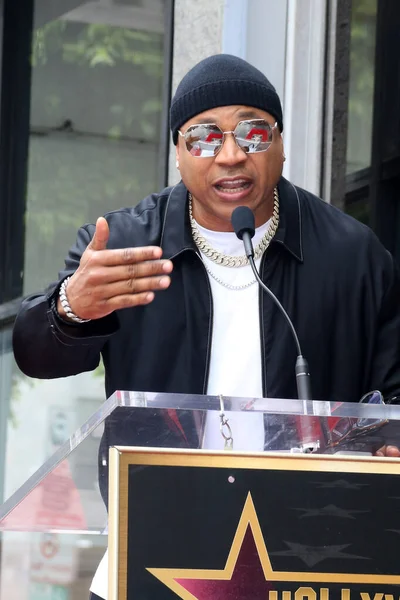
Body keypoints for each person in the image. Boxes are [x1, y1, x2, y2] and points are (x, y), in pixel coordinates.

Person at [12, 54, 400, 599]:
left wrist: (386, 444)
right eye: (204, 137)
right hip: (154, 543)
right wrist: (70, 308)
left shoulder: (351, 256)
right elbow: (37, 355)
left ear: (281, 143)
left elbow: (392, 396)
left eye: (253, 132)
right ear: (177, 152)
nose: (231, 155)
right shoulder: (126, 246)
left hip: (309, 557)